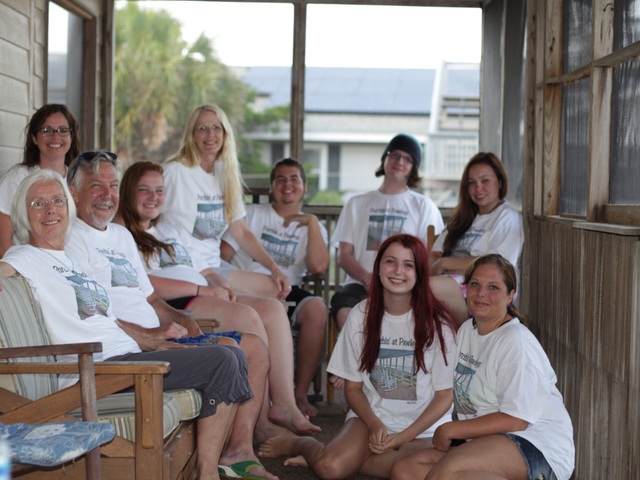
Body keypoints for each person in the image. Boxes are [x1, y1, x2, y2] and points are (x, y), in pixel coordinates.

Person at [0, 169, 253, 480]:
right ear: (23, 215)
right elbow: (4, 265)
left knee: (232, 352)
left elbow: (106, 320)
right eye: (38, 204)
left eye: (56, 201)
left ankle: (207, 468)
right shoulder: (27, 255)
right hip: (102, 372)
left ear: (68, 207)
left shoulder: (69, 261)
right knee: (226, 359)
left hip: (126, 359)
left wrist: (152, 343)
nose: (51, 209)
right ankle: (208, 474)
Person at [61, 152, 277, 479]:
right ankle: (208, 470)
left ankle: (238, 451)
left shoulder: (120, 236)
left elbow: (149, 296)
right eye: (96, 186)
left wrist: (180, 319)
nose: (107, 195)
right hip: (130, 351)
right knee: (228, 355)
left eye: (113, 186)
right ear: (73, 192)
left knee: (255, 348)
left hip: (157, 338)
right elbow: (94, 315)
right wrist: (149, 338)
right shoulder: (70, 240)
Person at [115, 160, 321, 439]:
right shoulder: (122, 235)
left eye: (159, 190)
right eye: (144, 190)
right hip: (175, 302)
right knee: (248, 316)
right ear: (128, 192)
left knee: (273, 308)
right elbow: (144, 284)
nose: (154, 198)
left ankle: (283, 403)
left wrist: (221, 285)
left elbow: (207, 269)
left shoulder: (169, 230)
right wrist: (202, 290)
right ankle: (259, 418)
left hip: (201, 292)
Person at [258, 234, 458, 480]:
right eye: (390, 262)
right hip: (370, 418)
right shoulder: (360, 314)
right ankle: (302, 444)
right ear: (378, 268)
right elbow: (352, 389)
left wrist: (403, 437)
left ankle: (348, 458)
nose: (398, 271)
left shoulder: (439, 325)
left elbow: (444, 396)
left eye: (408, 265)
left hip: (423, 428)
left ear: (420, 273)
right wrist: (374, 423)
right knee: (330, 468)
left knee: (407, 471)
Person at [390, 254, 575, 480]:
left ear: (511, 295)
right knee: (406, 470)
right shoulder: (468, 329)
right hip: (491, 441)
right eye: (475, 284)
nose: (481, 293)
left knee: (446, 473)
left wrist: (450, 429)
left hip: (537, 445)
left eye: (493, 287)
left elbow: (516, 419)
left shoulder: (516, 342)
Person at [221, 158, 329, 418]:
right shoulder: (253, 214)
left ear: (304, 187)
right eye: (280, 179)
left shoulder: (314, 227)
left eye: (294, 179)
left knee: (317, 308)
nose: (287, 184)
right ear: (271, 187)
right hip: (246, 287)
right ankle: (264, 398)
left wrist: (312, 222)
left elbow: (318, 267)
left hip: (288, 290)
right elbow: (222, 254)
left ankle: (298, 395)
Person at [160, 103, 290, 300]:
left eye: (216, 128)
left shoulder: (226, 174)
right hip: (185, 266)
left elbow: (241, 231)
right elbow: (145, 215)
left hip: (214, 264)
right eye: (202, 129)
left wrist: (275, 268)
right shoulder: (174, 171)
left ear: (225, 133)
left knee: (274, 290)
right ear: (192, 135)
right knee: (268, 292)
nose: (210, 135)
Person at [330, 133, 444, 333]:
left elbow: (430, 255)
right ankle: (356, 364)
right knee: (345, 312)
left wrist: (401, 280)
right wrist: (367, 278)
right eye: (395, 155)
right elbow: (344, 255)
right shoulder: (356, 203)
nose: (400, 161)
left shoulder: (424, 206)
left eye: (408, 159)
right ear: (385, 158)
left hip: (404, 284)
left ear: (414, 167)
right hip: (359, 283)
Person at [429, 152, 524, 324]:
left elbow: (496, 265)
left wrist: (445, 264)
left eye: (485, 181)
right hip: (450, 284)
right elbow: (435, 254)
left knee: (424, 289)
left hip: (485, 289)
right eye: (471, 182)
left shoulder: (506, 217)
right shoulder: (461, 218)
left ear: (500, 182)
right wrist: (440, 264)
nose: (478, 188)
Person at [0, 104, 80, 258]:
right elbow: (0, 240)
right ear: (34, 138)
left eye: (63, 130)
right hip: (24, 271)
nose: (55, 136)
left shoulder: (77, 179)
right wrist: (25, 273)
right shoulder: (18, 177)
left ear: (71, 136)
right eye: (46, 130)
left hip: (65, 268)